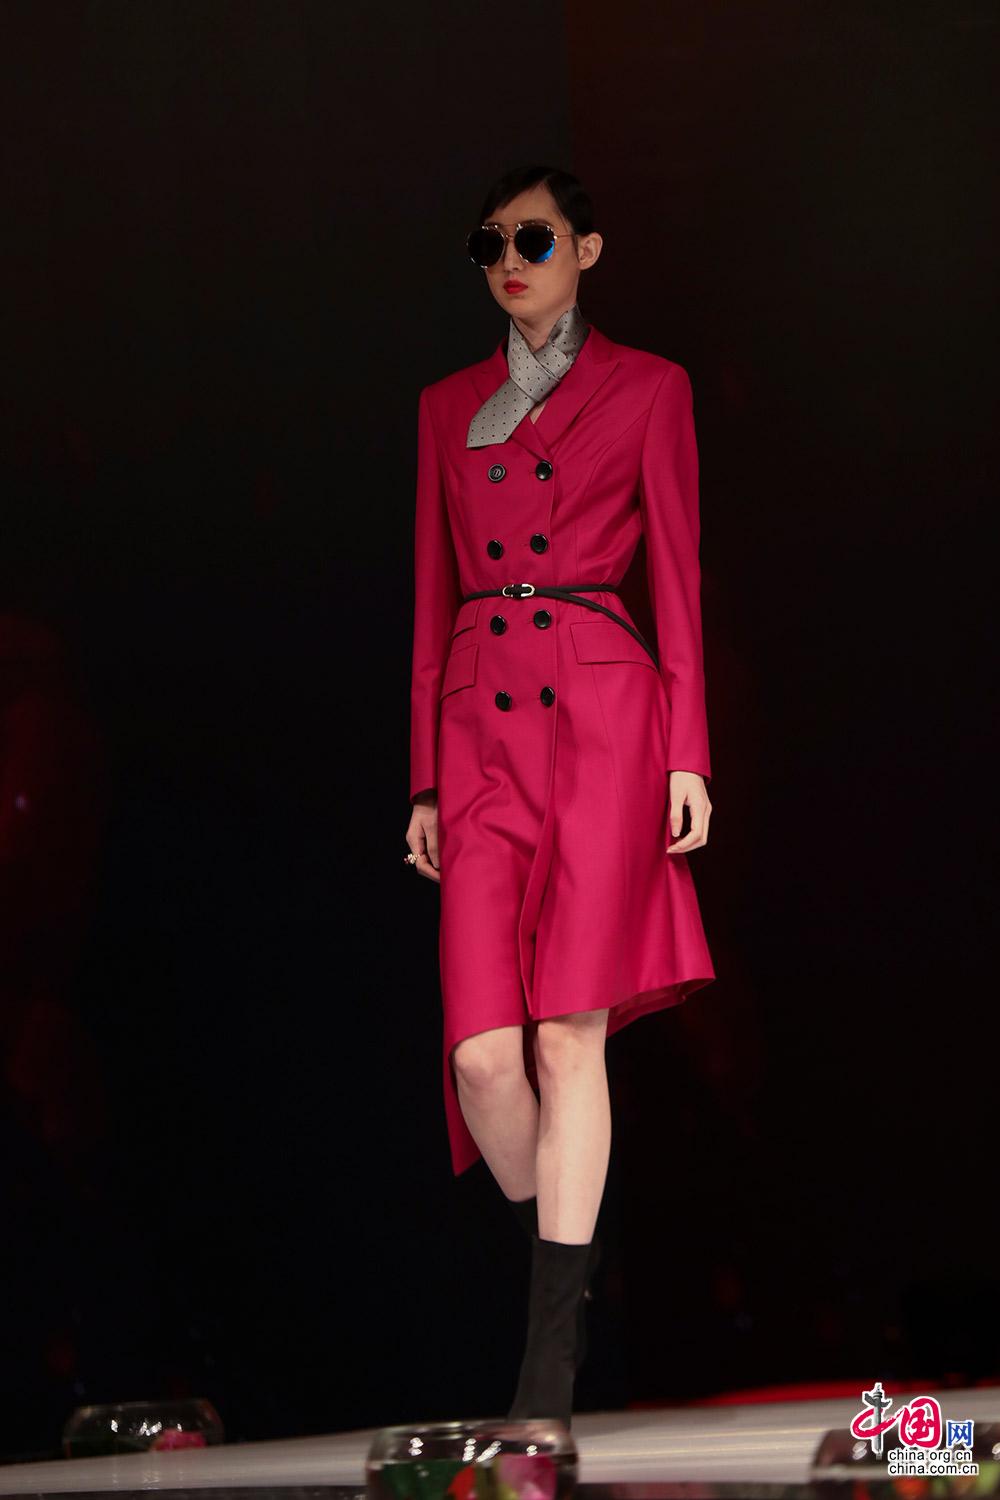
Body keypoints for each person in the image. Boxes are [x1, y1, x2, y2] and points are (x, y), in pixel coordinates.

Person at [404, 163, 715, 1427]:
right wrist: (424, 778)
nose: (509, 259)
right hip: (480, 721)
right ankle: (574, 1256)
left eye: (532, 238)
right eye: (490, 242)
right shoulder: (446, 407)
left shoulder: (649, 388)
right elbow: (429, 597)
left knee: (563, 1037)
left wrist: (688, 752)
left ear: (586, 248)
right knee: (484, 1059)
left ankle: (548, 1361)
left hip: (601, 714)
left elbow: (678, 573)